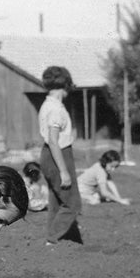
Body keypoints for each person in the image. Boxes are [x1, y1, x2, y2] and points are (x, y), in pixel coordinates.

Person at [38, 66, 82, 245]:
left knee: (56, 200)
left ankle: (52, 239)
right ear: (65, 86)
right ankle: (52, 237)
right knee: (73, 203)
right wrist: (63, 171)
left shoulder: (46, 104)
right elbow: (54, 141)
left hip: (50, 154)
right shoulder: (56, 109)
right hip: (58, 155)